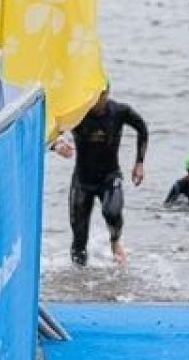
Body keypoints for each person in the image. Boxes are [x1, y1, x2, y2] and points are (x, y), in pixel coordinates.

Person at [54, 87, 148, 266]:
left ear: (106, 94)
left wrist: (139, 163)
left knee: (112, 212)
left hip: (109, 177)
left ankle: (115, 241)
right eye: (91, 96)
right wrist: (57, 144)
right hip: (82, 181)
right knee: (79, 241)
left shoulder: (119, 112)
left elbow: (142, 128)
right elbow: (51, 128)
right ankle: (78, 283)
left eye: (99, 97)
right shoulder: (77, 113)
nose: (94, 101)